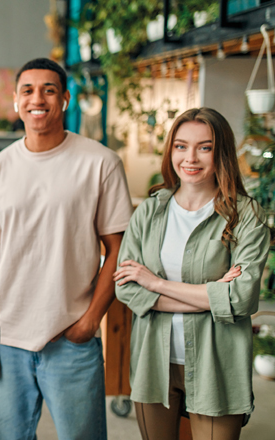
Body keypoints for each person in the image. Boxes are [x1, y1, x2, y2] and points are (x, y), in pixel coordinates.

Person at [0, 57, 133, 440]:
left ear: (64, 99)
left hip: (71, 337)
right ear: (16, 101)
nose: (37, 98)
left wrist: (91, 319)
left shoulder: (100, 162)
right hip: (8, 337)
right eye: (27, 90)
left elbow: (119, 248)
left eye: (48, 89)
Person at [114, 108, 270, 440]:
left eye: (205, 147)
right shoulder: (151, 210)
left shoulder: (245, 215)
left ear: (222, 152)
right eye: (181, 146)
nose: (191, 158)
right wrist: (213, 294)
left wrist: (155, 284)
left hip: (218, 366)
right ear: (171, 150)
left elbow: (240, 298)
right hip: (152, 363)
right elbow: (127, 288)